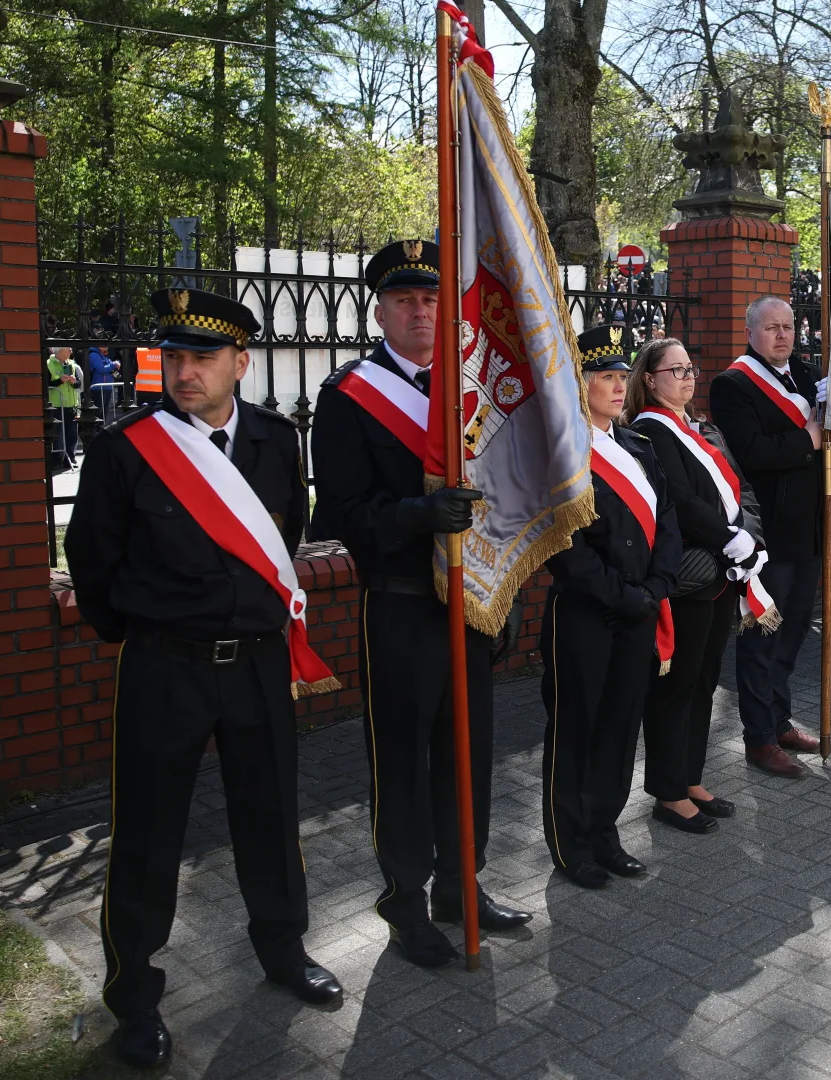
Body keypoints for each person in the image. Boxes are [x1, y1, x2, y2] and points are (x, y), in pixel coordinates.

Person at [65, 288, 342, 1070]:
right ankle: (136, 997)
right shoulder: (127, 448)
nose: (184, 372)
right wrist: (146, 634)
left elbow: (287, 531)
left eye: (203, 357)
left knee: (271, 812)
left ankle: (284, 951)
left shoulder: (276, 439)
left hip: (256, 661)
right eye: (174, 357)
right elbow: (94, 563)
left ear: (240, 363)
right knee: (149, 834)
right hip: (164, 667)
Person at [310, 240, 531, 969]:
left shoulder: (469, 390)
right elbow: (342, 510)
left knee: (467, 757)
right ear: (379, 309)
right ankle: (404, 899)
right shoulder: (348, 396)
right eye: (405, 300)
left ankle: (460, 887)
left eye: (432, 300)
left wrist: (505, 593)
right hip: (401, 605)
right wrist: (415, 515)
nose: (420, 311)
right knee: (402, 761)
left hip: (469, 602)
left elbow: (506, 502)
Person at [541, 326, 680, 886]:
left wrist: (658, 586)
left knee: (621, 728)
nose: (619, 387)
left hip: (639, 610)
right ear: (580, 384)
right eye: (606, 377)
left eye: (624, 377)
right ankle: (569, 843)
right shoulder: (563, 452)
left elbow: (665, 521)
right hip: (585, 613)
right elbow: (564, 546)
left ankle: (605, 831)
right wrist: (625, 595)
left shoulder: (639, 447)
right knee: (578, 729)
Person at [627, 337, 762, 834]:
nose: (687, 377)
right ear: (650, 379)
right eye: (675, 370)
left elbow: (739, 487)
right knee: (676, 685)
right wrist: (727, 536)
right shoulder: (650, 431)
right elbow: (679, 500)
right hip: (689, 575)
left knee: (704, 682)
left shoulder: (699, 427)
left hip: (722, 571)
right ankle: (667, 791)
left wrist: (751, 536)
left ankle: (691, 778)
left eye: (690, 368)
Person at [709, 296, 824, 779]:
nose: (783, 336)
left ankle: (779, 721)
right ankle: (757, 739)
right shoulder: (732, 384)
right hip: (768, 536)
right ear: (751, 332)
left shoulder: (810, 375)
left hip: (811, 529)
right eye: (772, 328)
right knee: (761, 639)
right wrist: (809, 440)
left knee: (794, 633)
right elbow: (749, 452)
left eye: (789, 327)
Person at [46, 346, 84, 471]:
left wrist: (74, 382)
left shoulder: (71, 364)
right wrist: (59, 381)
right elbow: (46, 384)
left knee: (72, 434)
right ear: (61, 350)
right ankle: (58, 460)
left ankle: (70, 459)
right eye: (69, 349)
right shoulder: (49, 363)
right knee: (58, 435)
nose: (71, 351)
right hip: (57, 404)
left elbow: (78, 384)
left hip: (72, 404)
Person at [88, 345, 120, 422]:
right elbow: (101, 369)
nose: (107, 346)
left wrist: (116, 364)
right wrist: (113, 365)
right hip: (99, 388)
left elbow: (109, 366)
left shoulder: (104, 355)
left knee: (104, 413)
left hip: (107, 386)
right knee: (98, 412)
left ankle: (100, 430)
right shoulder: (93, 355)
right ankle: (95, 430)